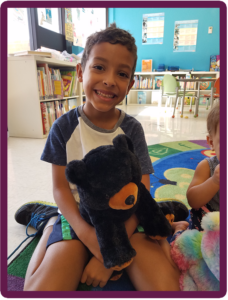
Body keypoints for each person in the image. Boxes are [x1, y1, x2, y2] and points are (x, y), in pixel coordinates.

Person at [15, 23, 185, 291]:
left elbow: (140, 190)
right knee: (39, 291)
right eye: (99, 67)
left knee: (166, 288)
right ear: (81, 71)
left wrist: (111, 253)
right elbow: (60, 188)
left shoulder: (132, 129)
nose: (109, 79)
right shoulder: (64, 127)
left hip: (128, 219)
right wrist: (92, 241)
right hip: (80, 218)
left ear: (129, 85)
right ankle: (48, 222)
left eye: (121, 73)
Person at [186, 101, 220, 231]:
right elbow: (193, 200)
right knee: (185, 247)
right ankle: (178, 229)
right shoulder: (207, 167)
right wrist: (214, 181)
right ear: (211, 142)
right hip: (207, 226)